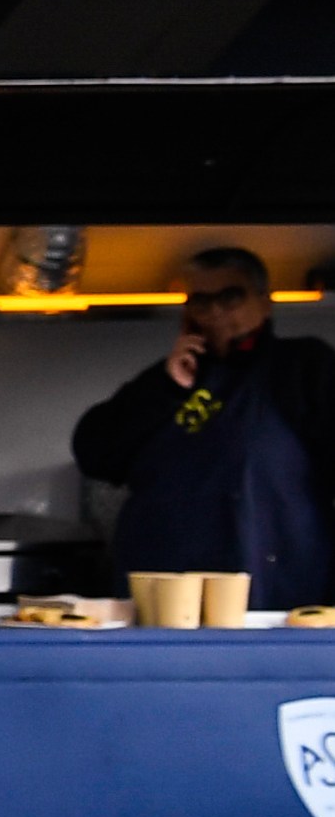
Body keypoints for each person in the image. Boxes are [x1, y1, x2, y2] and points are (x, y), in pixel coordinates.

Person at [71, 244, 335, 610]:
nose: (214, 312)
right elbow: (95, 453)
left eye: (230, 297)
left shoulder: (303, 367)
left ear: (264, 301)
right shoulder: (166, 381)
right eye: (200, 301)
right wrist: (165, 387)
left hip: (277, 596)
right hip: (163, 601)